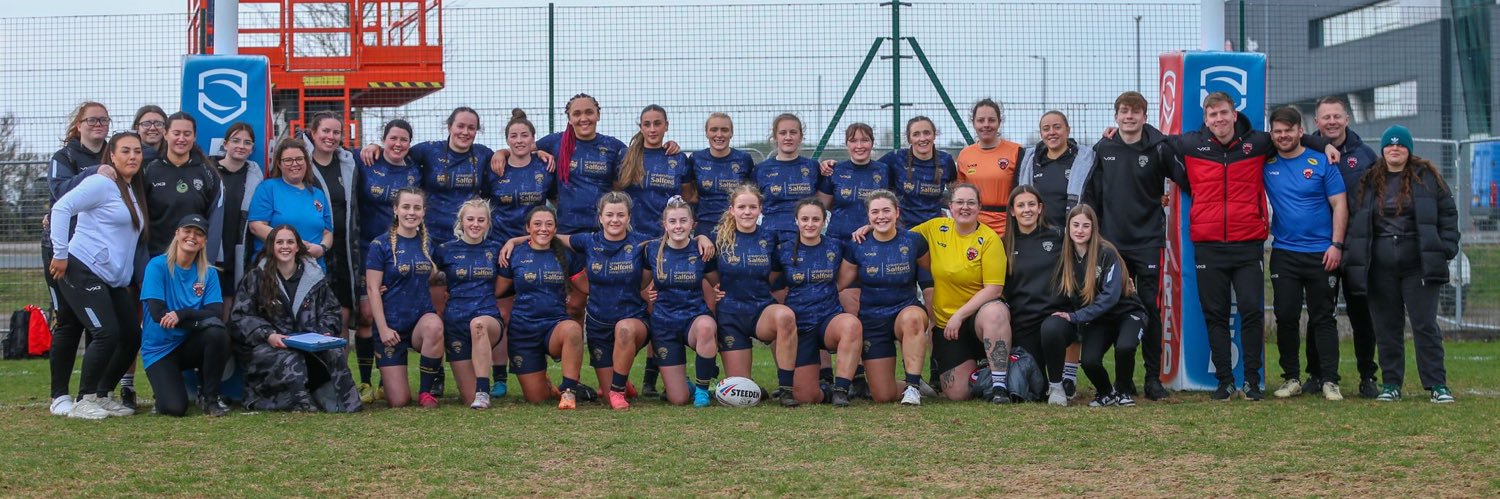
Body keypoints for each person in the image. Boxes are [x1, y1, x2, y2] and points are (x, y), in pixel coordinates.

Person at [1160, 91, 1339, 401]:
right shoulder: (1191, 143)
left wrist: (1324, 145)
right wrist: (1189, 185)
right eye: (1213, 115)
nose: (1219, 119)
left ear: (1234, 114)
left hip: (1247, 244)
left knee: (1251, 313)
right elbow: (1157, 143)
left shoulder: (1257, 142)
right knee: (1215, 314)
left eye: (1224, 113)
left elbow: (1290, 137)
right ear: (1206, 119)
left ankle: (1252, 382)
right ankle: (1225, 381)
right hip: (1208, 244)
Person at [860, 183, 1012, 402]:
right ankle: (982, 370)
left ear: (980, 207)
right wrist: (871, 229)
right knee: (957, 394)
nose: (965, 207)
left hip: (977, 317)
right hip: (947, 325)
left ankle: (999, 386)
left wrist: (960, 315)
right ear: (950, 206)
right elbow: (897, 236)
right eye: (959, 202)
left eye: (971, 203)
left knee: (994, 312)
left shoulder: (989, 239)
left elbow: (994, 289)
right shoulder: (935, 227)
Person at [1344, 125, 1459, 404]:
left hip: (1418, 265)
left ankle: (1437, 384)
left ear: (1409, 149)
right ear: (1383, 149)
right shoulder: (1369, 179)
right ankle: (1391, 383)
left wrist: (1444, 248)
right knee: (1386, 327)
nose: (1394, 149)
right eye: (1389, 145)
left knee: (1424, 325)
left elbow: (1448, 215)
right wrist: (1355, 256)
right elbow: (1356, 222)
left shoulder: (1428, 177)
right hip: (1379, 267)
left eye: (1400, 145)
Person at [47, 132, 148, 420]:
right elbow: (62, 207)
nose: (132, 156)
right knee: (106, 333)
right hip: (82, 269)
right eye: (125, 151)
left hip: (112, 279)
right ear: (112, 156)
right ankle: (84, 400)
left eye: (137, 151)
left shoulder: (131, 189)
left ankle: (103, 395)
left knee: (131, 336)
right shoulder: (102, 183)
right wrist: (60, 254)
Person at [1083, 91, 1172, 400]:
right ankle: (1124, 380)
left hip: (1148, 242)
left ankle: (1153, 379)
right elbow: (1091, 195)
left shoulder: (1158, 147)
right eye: (1124, 111)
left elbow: (1184, 177)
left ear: (1145, 117)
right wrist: (1095, 238)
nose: (1129, 116)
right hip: (1112, 245)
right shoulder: (1103, 147)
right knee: (1114, 306)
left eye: (1135, 112)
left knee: (1150, 308)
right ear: (1116, 116)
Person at [1262, 106, 1347, 401]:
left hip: (1322, 253)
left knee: (1323, 317)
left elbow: (1339, 204)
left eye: (1289, 130)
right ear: (1271, 134)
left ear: (1301, 131)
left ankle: (1330, 380)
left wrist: (1336, 245)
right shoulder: (1266, 164)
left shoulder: (1322, 161)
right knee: (1286, 316)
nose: (1283, 136)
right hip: (1284, 252)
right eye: (1277, 131)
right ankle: (1292, 378)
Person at [230, 225, 362, 412]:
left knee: (334, 353)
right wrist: (268, 334)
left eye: (290, 242)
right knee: (292, 357)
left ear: (298, 247)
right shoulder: (256, 277)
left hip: (310, 343)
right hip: (271, 345)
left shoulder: (315, 278)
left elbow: (332, 310)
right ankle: (294, 401)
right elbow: (240, 316)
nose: (285, 246)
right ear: (271, 246)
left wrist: (324, 332)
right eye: (280, 242)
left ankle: (342, 402)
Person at [1309, 95, 1381, 398]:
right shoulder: (1305, 150)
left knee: (1361, 313)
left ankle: (1368, 376)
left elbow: (1378, 200)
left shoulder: (1365, 155)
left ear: (1347, 119)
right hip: (1317, 245)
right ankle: (1316, 375)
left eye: (1337, 116)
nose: (1332, 122)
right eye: (1326, 117)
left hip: (1355, 248)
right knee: (1319, 313)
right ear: (1316, 122)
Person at [45, 101, 109, 417]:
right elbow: (60, 193)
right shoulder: (64, 157)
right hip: (64, 252)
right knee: (68, 322)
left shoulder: (114, 154)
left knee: (99, 325)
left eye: (104, 119)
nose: (98, 124)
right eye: (92, 119)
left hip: (98, 253)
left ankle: (93, 394)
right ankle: (59, 395)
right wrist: (95, 173)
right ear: (78, 125)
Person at [483, 109, 552, 398]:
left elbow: (552, 211)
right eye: (514, 136)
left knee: (532, 310)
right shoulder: (494, 167)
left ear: (533, 139)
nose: (519, 140)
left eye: (525, 135)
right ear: (507, 139)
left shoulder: (545, 167)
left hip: (532, 247)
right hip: (498, 248)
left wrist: (521, 239)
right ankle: (499, 377)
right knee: (501, 313)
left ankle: (540, 373)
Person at [709, 185, 799, 405]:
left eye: (752, 207)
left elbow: (775, 273)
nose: (747, 212)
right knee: (742, 392)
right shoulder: (718, 238)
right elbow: (709, 274)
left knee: (785, 316)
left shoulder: (770, 237)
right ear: (732, 210)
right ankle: (757, 389)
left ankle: (786, 390)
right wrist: (716, 288)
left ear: (761, 209)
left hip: (761, 310)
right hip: (730, 316)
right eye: (741, 207)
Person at [837, 190, 929, 405]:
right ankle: (914, 387)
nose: (881, 216)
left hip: (905, 310)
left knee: (913, 318)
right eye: (875, 212)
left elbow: (932, 272)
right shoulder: (857, 244)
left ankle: (913, 387)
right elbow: (839, 284)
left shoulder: (914, 241)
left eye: (886, 210)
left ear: (897, 212)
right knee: (883, 395)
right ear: (868, 216)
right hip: (873, 320)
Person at [1051, 205, 1144, 408]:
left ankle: (1123, 391)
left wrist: (1076, 316)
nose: (1080, 230)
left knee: (1125, 347)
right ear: (1068, 227)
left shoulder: (1106, 252)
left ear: (1094, 228)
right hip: (1099, 319)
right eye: (1075, 225)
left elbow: (1110, 297)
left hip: (1126, 312)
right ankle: (1106, 392)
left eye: (1086, 225)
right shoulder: (1065, 256)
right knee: (1090, 361)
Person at [353, 119, 419, 402]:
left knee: (390, 313)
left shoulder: (415, 169)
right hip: (367, 249)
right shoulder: (366, 161)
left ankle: (384, 380)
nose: (398, 144)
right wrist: (366, 147)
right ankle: (364, 381)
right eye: (393, 138)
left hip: (400, 253)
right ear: (383, 139)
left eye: (403, 139)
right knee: (367, 314)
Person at [496, 207, 587, 409]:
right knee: (537, 399)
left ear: (555, 228)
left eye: (549, 224)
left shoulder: (566, 255)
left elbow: (588, 287)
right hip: (523, 331)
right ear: (528, 228)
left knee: (573, 329)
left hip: (554, 326)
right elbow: (498, 290)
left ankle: (569, 391)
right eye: (537, 224)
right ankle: (545, 381)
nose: (543, 229)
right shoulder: (515, 254)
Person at [140, 214, 231, 417]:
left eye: (198, 234)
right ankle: (164, 391)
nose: (192, 237)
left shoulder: (208, 272)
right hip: (159, 349)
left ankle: (210, 398)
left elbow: (215, 313)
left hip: (188, 344)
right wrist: (198, 321)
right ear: (177, 234)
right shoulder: (157, 266)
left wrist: (183, 314)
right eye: (187, 231)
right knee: (174, 408)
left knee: (217, 333)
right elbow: (158, 315)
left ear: (204, 241)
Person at [364, 188, 445, 408]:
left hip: (420, 322)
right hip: (391, 328)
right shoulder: (379, 245)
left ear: (423, 211)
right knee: (399, 401)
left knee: (435, 325)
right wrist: (383, 329)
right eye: (406, 207)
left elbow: (438, 273)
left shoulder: (428, 244)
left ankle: (426, 392)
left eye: (417, 208)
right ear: (395, 209)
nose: (411, 212)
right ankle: (389, 382)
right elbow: (372, 289)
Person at [778, 199, 861, 406]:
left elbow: (848, 271)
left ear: (824, 221)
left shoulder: (836, 246)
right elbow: (770, 281)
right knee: (805, 396)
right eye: (804, 219)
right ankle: (827, 390)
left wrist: (867, 227)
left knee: (851, 324)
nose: (810, 224)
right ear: (796, 221)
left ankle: (841, 390)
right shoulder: (783, 250)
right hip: (800, 326)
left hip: (829, 319)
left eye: (816, 219)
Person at [303, 113, 365, 385]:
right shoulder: (300, 161)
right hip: (312, 250)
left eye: (336, 132)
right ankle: (313, 380)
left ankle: (340, 379)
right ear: (313, 132)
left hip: (345, 251)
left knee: (342, 314)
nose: (330, 137)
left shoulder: (349, 163)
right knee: (314, 315)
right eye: (325, 131)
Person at [642, 197, 720, 407]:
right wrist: (646, 295)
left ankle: (702, 390)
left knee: (706, 326)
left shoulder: (702, 250)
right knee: (678, 399)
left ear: (692, 224)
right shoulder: (651, 250)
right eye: (673, 221)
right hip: (664, 324)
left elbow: (717, 283)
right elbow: (640, 284)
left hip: (694, 319)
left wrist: (720, 291)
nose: (678, 226)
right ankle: (687, 386)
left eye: (683, 221)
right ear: (665, 225)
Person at [1001, 185, 1074, 406]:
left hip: (1055, 318)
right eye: (1021, 205)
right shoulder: (1004, 244)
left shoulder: (1058, 236)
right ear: (1012, 211)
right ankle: (1046, 385)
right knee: (1035, 391)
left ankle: (1058, 385)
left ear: (1040, 208)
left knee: (1051, 328)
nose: (1027, 210)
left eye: (1031, 204)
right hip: (1023, 325)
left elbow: (1085, 259)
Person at [434, 199, 506, 408]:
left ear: (488, 223)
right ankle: (476, 392)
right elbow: (425, 276)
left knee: (478, 324)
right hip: (455, 324)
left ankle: (483, 392)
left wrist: (513, 242)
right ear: (461, 221)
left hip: (487, 320)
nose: (475, 224)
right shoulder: (445, 250)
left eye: (481, 220)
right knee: (468, 397)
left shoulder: (497, 249)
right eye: (470, 219)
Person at [818, 123, 891, 314]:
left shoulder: (884, 170)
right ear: (846, 144)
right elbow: (821, 207)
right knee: (842, 298)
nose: (859, 145)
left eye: (865, 140)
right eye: (853, 141)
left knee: (871, 300)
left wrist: (872, 226)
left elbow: (890, 207)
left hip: (872, 244)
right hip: (839, 243)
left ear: (872, 143)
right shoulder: (835, 170)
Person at [143, 112, 223, 258]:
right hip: (157, 256)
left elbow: (215, 222)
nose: (181, 139)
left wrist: (207, 260)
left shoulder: (208, 173)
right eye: (176, 133)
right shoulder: (149, 170)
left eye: (187, 134)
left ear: (194, 137)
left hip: (194, 257)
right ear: (165, 134)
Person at [248, 139, 334, 267]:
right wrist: (295, 244)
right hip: (275, 268)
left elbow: (328, 232)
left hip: (313, 269)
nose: (295, 164)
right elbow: (256, 226)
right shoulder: (268, 188)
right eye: (288, 160)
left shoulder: (318, 194)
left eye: (299, 159)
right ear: (279, 164)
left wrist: (322, 248)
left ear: (306, 162)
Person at [616, 104, 693, 238]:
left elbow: (686, 197)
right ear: (641, 128)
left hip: (668, 236)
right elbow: (616, 192)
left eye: (657, 124)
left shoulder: (679, 158)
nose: (652, 129)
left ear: (666, 126)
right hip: (631, 236)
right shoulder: (625, 156)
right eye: (647, 124)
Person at [956, 98, 1023, 236]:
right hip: (974, 225)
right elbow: (960, 194)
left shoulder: (1016, 151)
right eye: (981, 120)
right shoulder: (965, 155)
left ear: (999, 122)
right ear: (973, 123)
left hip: (1007, 226)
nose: (986, 125)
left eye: (991, 120)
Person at [213, 123, 259, 317]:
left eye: (247, 143)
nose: (241, 146)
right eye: (236, 140)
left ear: (252, 148)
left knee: (231, 301)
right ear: (225, 144)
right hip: (212, 246)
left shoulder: (256, 177)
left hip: (239, 247)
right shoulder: (209, 170)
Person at [1019, 111, 1095, 228]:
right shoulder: (1031, 163)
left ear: (1068, 130)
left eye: (1057, 127)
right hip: (1039, 233)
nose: (1052, 132)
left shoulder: (1085, 161)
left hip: (1072, 233)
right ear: (1041, 134)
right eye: (1046, 129)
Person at [686, 113, 755, 237]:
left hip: (736, 227)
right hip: (705, 228)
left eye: (724, 130)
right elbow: (690, 193)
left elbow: (752, 192)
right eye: (714, 130)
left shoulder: (744, 159)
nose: (719, 134)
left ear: (731, 133)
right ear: (706, 133)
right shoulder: (696, 158)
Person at [756, 114, 825, 239]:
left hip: (805, 237)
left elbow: (825, 203)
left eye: (793, 132)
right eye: (783, 133)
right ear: (775, 137)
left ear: (801, 137)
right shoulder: (761, 169)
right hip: (770, 237)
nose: (788, 137)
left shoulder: (813, 167)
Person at [880, 116, 956, 228]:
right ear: (909, 139)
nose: (922, 138)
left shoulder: (946, 160)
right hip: (903, 229)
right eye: (916, 134)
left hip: (935, 229)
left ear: (934, 135)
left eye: (927, 133)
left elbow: (954, 191)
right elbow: (871, 172)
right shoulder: (895, 158)